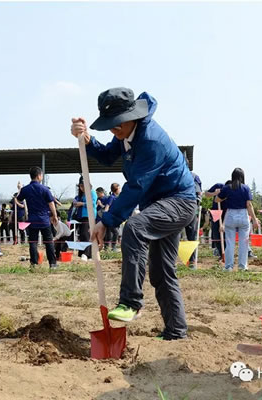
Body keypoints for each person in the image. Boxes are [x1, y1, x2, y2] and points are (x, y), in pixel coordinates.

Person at [71, 87, 196, 340]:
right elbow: (106, 156)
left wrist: (107, 221)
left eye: (117, 124)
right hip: (158, 205)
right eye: (110, 125)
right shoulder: (126, 135)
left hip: (179, 202)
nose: (114, 130)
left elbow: (136, 186)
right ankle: (176, 330)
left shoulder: (150, 140)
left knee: (135, 228)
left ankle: (130, 303)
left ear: (132, 116)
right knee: (161, 271)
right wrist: (86, 140)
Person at [216, 168, 260, 271]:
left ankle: (228, 266)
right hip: (243, 215)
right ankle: (242, 266)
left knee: (230, 242)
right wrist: (254, 220)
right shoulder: (246, 188)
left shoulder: (227, 188)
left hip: (231, 214)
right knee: (244, 243)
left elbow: (217, 199)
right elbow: (249, 205)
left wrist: (225, 197)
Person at [17, 167, 58, 269]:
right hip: (44, 220)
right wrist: (55, 216)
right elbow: (51, 204)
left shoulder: (25, 189)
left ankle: (34, 264)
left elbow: (17, 199)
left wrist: (22, 206)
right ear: (39, 176)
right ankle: (52, 264)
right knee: (49, 242)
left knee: (33, 243)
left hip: (32, 220)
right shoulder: (45, 189)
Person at [72, 176, 97, 261]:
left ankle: (86, 253)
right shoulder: (81, 195)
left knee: (86, 234)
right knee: (82, 235)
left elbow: (92, 203)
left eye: (83, 186)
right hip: (81, 217)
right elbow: (76, 200)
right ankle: (86, 254)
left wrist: (82, 204)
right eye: (80, 186)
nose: (82, 188)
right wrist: (75, 202)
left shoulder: (92, 193)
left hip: (89, 216)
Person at [183, 158, 202, 267]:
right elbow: (199, 194)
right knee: (192, 235)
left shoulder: (171, 174)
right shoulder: (194, 176)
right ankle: (192, 262)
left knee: (172, 234)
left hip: (176, 207)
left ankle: (169, 261)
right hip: (190, 208)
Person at [205, 182, 226, 259]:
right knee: (216, 234)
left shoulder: (232, 190)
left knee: (225, 234)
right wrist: (215, 193)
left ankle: (226, 253)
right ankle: (221, 253)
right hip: (216, 213)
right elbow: (206, 194)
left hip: (226, 213)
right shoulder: (218, 186)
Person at [103, 183, 121, 251]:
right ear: (116, 189)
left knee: (109, 233)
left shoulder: (117, 197)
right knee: (115, 232)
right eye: (119, 188)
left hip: (115, 218)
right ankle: (113, 247)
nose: (120, 190)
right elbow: (107, 207)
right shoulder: (111, 197)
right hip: (110, 218)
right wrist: (105, 216)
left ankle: (106, 248)